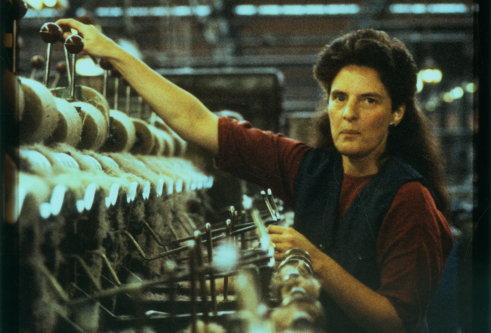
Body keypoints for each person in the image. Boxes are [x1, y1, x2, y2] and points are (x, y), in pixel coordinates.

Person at [55, 19, 453, 333]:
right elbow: (196, 122)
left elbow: (396, 321)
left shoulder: (408, 198)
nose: (349, 113)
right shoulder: (310, 168)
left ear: (397, 113)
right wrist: (110, 52)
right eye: (338, 97)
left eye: (369, 100)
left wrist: (312, 259)